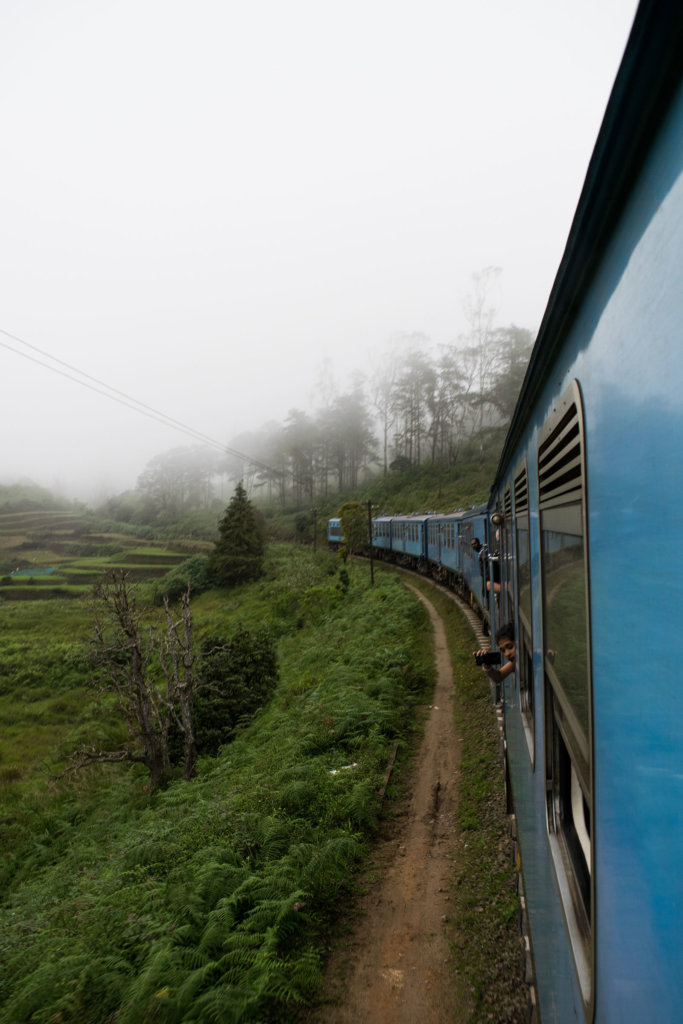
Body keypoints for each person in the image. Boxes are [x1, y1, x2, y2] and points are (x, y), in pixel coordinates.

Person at [474, 621, 516, 687]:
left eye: (510, 647)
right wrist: (487, 666)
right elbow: (499, 677)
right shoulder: (515, 663)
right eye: (503, 651)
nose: (507, 654)